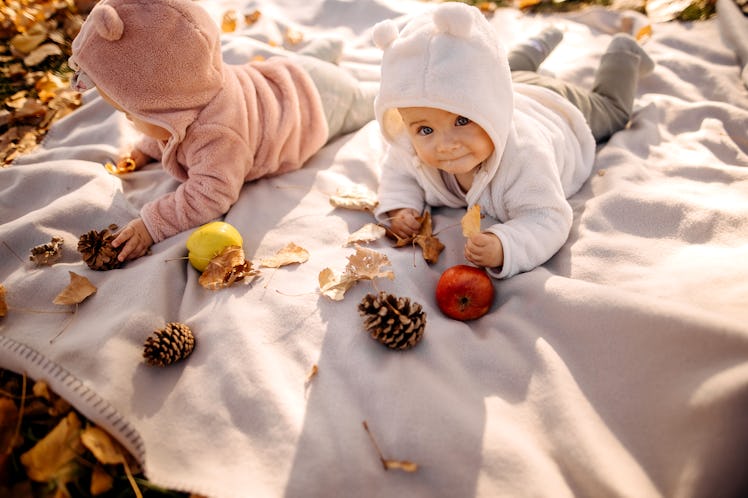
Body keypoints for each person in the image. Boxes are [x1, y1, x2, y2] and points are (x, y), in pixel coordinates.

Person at [69, 0, 375, 262]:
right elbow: (167, 129)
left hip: (316, 103)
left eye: (129, 113)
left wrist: (151, 225)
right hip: (281, 75)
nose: (127, 122)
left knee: (365, 103)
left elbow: (210, 195)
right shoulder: (191, 89)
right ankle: (319, 54)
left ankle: (339, 71)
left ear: (168, 106)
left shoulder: (217, 136)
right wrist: (146, 149)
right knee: (300, 64)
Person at [372, 2, 653, 279]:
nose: (445, 144)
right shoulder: (411, 149)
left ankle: (622, 52)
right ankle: (544, 38)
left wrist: (506, 244)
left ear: (487, 109)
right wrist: (400, 208)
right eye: (425, 130)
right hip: (510, 83)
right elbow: (398, 174)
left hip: (555, 105)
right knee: (507, 67)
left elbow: (548, 217)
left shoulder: (525, 157)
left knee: (613, 112)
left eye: (461, 121)